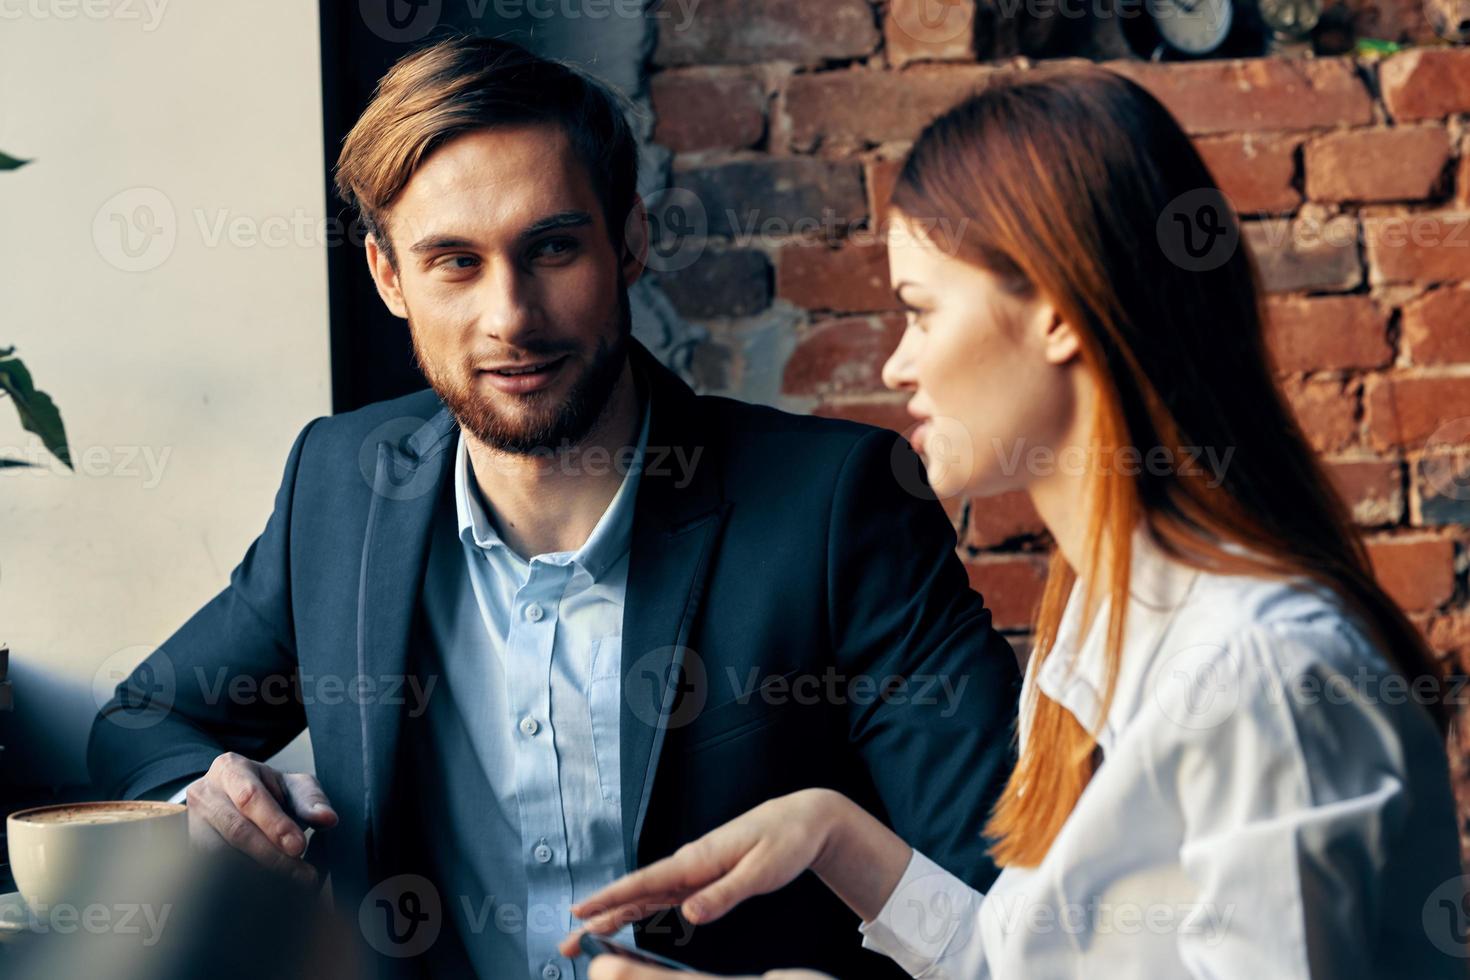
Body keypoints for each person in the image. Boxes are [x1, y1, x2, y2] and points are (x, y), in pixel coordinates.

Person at [86, 34, 1022, 980]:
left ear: (632, 241)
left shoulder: (840, 508)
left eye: (553, 248)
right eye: (453, 261)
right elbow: (142, 721)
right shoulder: (341, 483)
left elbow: (996, 910)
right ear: (387, 277)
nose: (511, 317)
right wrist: (204, 797)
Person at [562, 66, 1465, 979]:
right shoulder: (1096, 622)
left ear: (1059, 313)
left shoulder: (1261, 671)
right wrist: (835, 836)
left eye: (920, 311)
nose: (901, 365)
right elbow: (1030, 964)